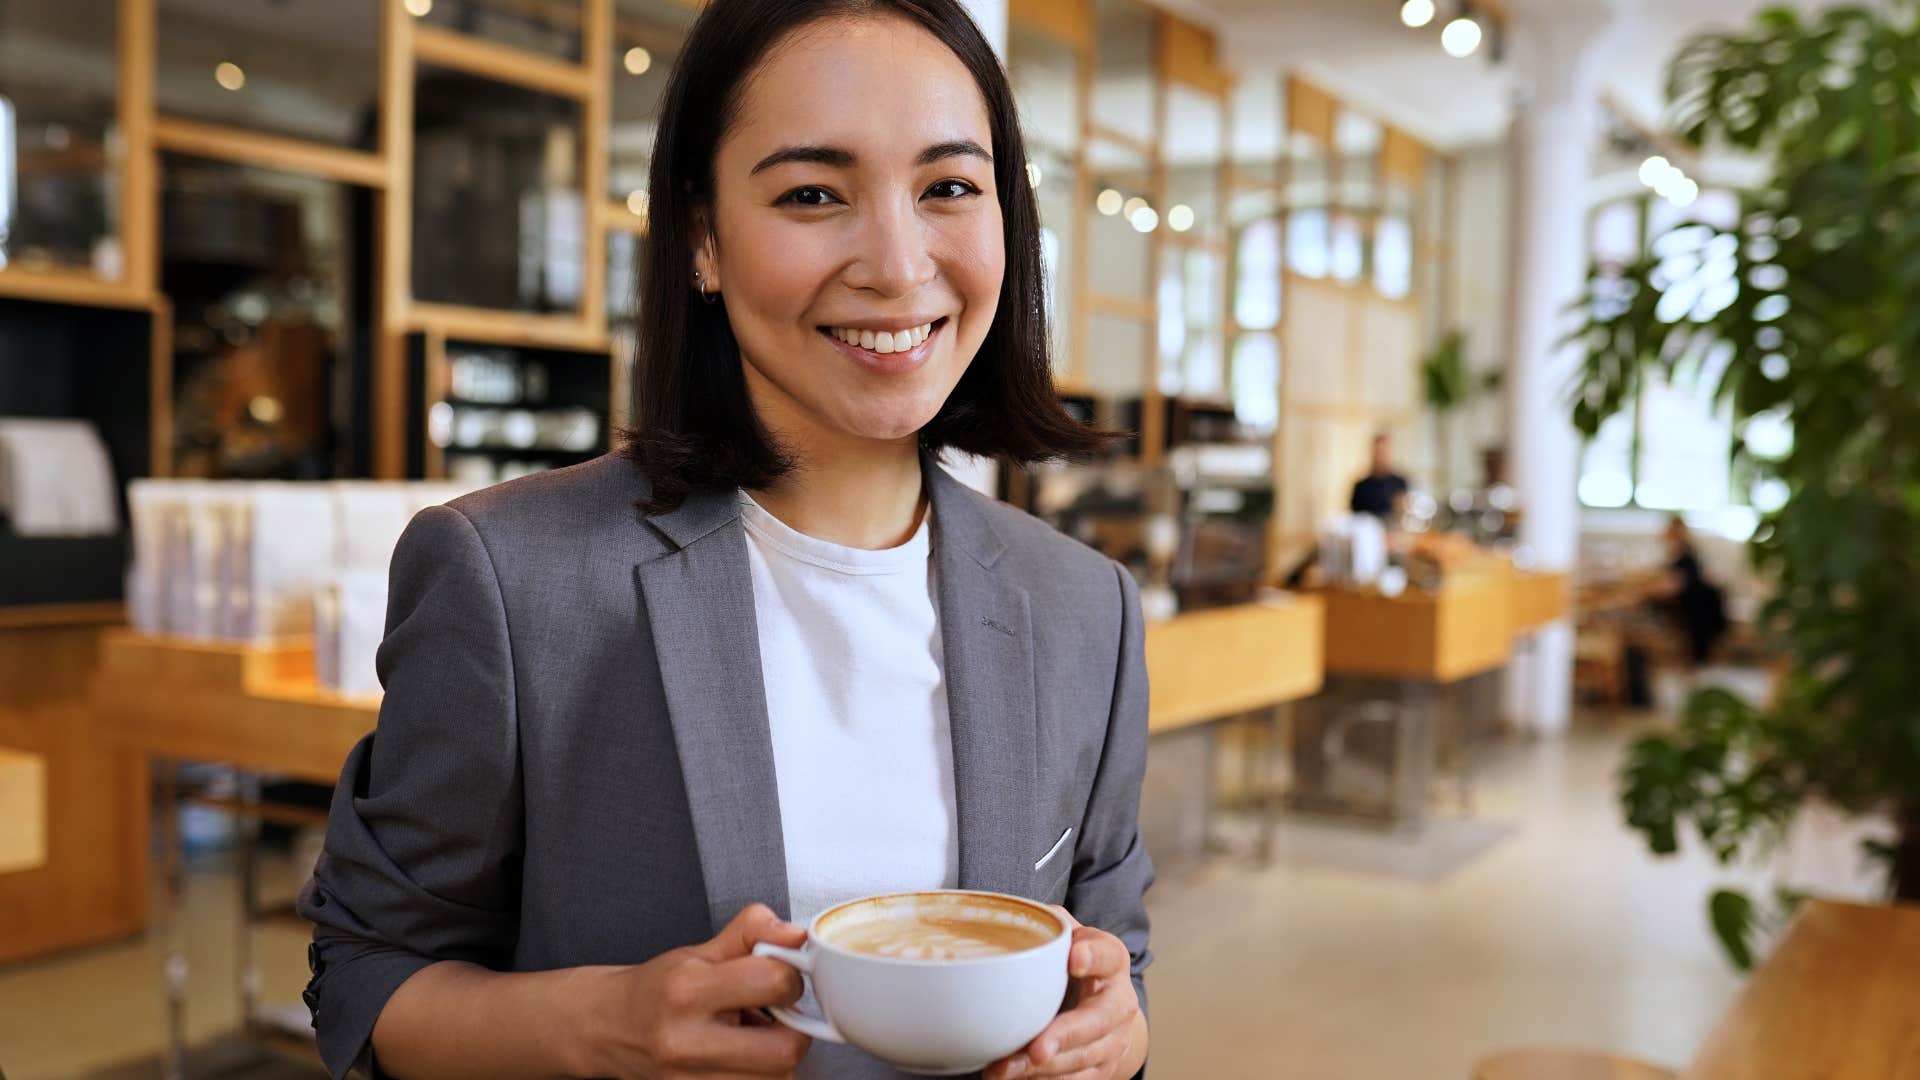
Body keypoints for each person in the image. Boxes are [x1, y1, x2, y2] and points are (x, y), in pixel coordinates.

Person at [296, 2, 1153, 1079]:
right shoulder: (513, 578)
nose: (897, 263)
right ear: (702, 237)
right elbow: (369, 975)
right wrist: (603, 1025)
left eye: (948, 188)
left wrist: (1115, 1033)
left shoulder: (1083, 608)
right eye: (811, 194)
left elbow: (1112, 954)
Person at [1349, 432, 1409, 521]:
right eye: (1378, 452)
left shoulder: (1400, 482)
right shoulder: (1361, 486)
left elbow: (1406, 514)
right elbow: (1355, 518)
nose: (1380, 457)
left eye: (1384, 452)